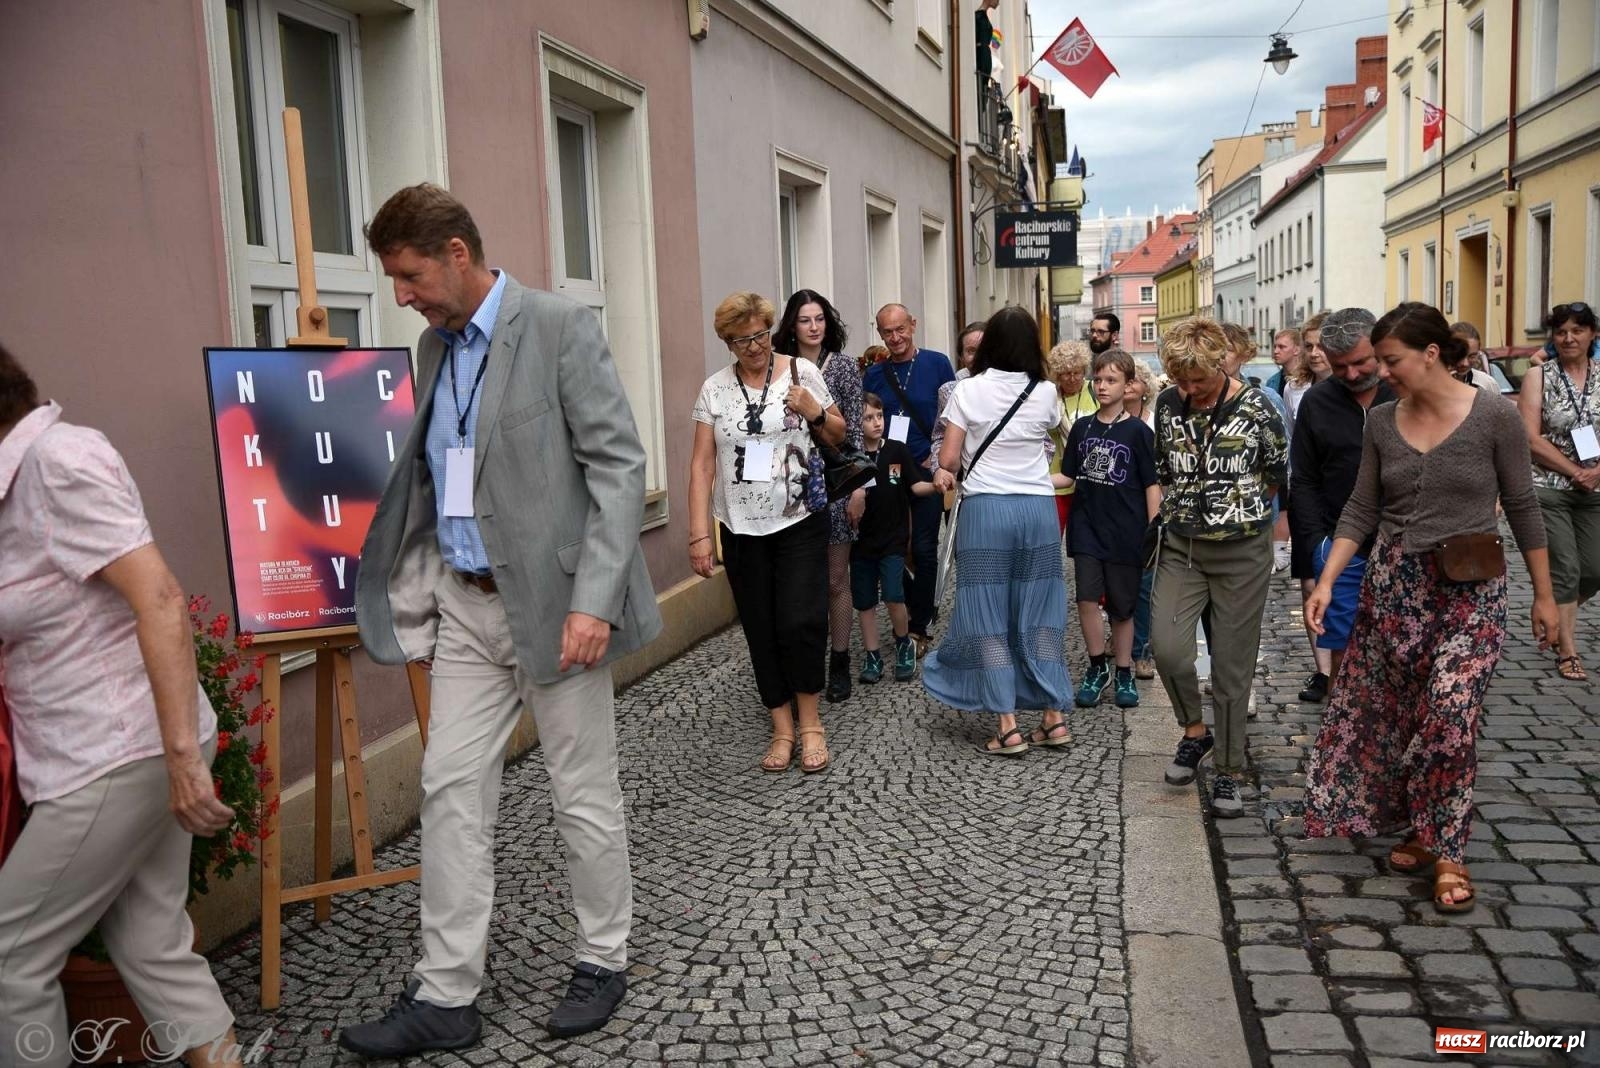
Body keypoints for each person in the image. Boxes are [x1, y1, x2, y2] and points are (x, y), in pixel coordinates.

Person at [348, 184, 664, 1053]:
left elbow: (617, 468)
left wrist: (594, 601)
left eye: (409, 275)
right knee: (449, 791)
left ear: (457, 252)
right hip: (464, 605)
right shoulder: (431, 350)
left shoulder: (558, 328)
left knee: (581, 795)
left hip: (559, 611)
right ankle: (447, 994)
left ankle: (604, 956)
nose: (400, 295)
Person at [0, 345, 244, 1068]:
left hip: (116, 753)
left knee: (9, 957)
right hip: (105, 751)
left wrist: (181, 764)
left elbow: (161, 599)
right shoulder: (19, 483)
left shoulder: (57, 464)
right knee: (148, 941)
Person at [1305, 302, 1557, 915]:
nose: (1382, 373)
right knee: (1403, 718)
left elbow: (1523, 505)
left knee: (1450, 712)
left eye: (1391, 361)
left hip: (1469, 590)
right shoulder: (1384, 423)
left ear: (1432, 354)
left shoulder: (1494, 416)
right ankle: (1423, 826)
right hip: (1395, 590)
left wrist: (1545, 595)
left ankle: (1449, 851)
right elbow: (1361, 509)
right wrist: (1327, 580)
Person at [689, 291, 847, 775]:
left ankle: (811, 722)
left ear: (770, 329)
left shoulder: (804, 373)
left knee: (801, 620)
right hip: (740, 528)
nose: (754, 346)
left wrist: (815, 412)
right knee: (760, 626)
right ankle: (781, 727)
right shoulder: (714, 390)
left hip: (799, 519)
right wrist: (699, 534)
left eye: (759, 335)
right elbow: (701, 465)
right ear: (727, 343)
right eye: (741, 340)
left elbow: (840, 434)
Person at [1151, 319, 1287, 818]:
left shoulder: (1257, 407)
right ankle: (1194, 732)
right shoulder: (1167, 405)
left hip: (1241, 551)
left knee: (1231, 669)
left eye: (1198, 381)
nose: (1189, 391)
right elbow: (1164, 467)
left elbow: (1276, 471)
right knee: (1167, 647)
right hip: (1182, 546)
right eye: (1181, 381)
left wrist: (1238, 510)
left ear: (1221, 364)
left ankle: (1230, 770)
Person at [925, 307, 1072, 754]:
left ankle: (1007, 724)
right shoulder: (1045, 391)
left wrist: (947, 471)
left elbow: (949, 460)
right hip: (1038, 510)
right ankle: (1053, 716)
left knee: (987, 612)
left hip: (987, 510)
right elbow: (1053, 435)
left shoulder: (967, 391)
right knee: (1041, 610)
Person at [1289, 308, 1394, 704]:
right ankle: (1345, 732)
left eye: (1360, 363)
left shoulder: (1402, 392)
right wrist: (1317, 544)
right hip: (1339, 544)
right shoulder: (1318, 402)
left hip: (1403, 543)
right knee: (1343, 650)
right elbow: (1304, 479)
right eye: (1340, 366)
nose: (1350, 375)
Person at [773, 290, 864, 703]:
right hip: (790, 486)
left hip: (838, 483)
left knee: (835, 579)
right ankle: (800, 665)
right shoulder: (780, 369)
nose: (813, 327)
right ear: (792, 326)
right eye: (805, 320)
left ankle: (840, 661)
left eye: (820, 319)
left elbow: (857, 434)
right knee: (799, 584)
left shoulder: (843, 367)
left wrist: (860, 489)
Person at [1060, 348, 1160, 709]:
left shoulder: (1137, 432)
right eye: (1098, 379)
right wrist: (1029, 479)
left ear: (1129, 384)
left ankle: (1123, 670)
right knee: (1086, 597)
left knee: (1122, 607)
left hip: (1126, 530)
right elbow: (1067, 475)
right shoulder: (1082, 427)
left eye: (1111, 380)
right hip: (1086, 527)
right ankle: (1096, 665)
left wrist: (1154, 530)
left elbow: (1151, 484)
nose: (1102, 386)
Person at [862, 304, 955, 657]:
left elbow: (952, 415)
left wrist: (943, 457)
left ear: (913, 325)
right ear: (880, 333)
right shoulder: (874, 374)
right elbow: (865, 419)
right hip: (891, 472)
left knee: (925, 546)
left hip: (926, 465)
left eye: (901, 329)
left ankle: (919, 627)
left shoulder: (937, 363)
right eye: (888, 332)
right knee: (892, 547)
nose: (895, 337)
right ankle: (915, 604)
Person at [1517, 301, 1600, 682]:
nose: (1569, 338)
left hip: (1595, 487)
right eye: (1562, 331)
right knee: (1565, 568)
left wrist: (1595, 473)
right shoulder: (1540, 377)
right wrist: (1574, 472)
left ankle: (1552, 612)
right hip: (1548, 485)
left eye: (1578, 331)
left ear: (1592, 335)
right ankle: (1568, 651)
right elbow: (1531, 439)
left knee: (1594, 569)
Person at [853, 393, 938, 683]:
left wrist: (938, 483)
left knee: (893, 594)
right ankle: (872, 655)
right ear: (856, 422)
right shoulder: (851, 454)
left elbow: (915, 487)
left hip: (892, 539)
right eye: (868, 418)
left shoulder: (896, 451)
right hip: (861, 542)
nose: (877, 423)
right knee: (864, 602)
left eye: (879, 416)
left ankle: (904, 643)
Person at [1126, 359, 1161, 681]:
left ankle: (1142, 651)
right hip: (1118, 511)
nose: (1127, 386)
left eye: (1134, 380)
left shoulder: (1154, 423)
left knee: (1145, 587)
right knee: (1119, 586)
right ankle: (1123, 640)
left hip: (1148, 511)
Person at [1045, 340, 1098, 532]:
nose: (1073, 378)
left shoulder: (1094, 391)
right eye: (1067, 373)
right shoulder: (1051, 396)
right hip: (1058, 477)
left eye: (1077, 372)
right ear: (1058, 374)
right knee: (1052, 533)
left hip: (1090, 478)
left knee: (1085, 537)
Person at [930, 321, 986, 480]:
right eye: (971, 351)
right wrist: (938, 469)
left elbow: (1045, 444)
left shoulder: (1013, 389)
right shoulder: (950, 391)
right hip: (968, 481)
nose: (979, 356)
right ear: (961, 357)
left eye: (984, 349)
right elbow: (940, 438)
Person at [1264, 328, 1301, 399]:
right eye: (1275, 347)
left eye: (1282, 347)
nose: (1276, 351)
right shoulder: (1272, 382)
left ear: (1296, 350)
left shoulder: (1308, 380)